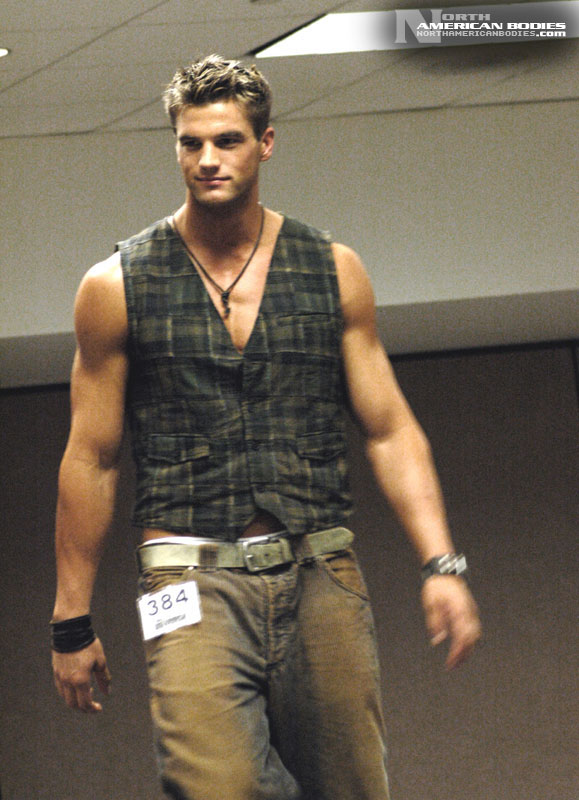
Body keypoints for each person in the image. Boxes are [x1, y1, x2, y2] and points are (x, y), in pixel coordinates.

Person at [51, 54, 481, 800]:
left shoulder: (331, 269)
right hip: (188, 576)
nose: (208, 160)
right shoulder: (116, 285)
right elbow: (91, 457)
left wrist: (441, 564)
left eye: (227, 141)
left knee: (351, 785)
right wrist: (70, 618)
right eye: (191, 143)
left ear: (266, 143)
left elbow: (390, 430)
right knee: (213, 783)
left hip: (318, 570)